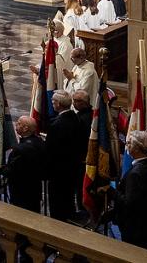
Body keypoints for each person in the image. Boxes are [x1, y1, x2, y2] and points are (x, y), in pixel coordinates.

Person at [113, 130, 147, 250]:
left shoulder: (135, 174)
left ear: (137, 149)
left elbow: (128, 204)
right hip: (146, 222)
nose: (127, 146)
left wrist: (112, 192)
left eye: (129, 143)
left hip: (133, 226)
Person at [46, 92, 83, 221]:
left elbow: (51, 150)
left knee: (57, 203)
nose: (52, 104)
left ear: (58, 104)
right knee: (68, 197)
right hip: (73, 166)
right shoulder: (74, 117)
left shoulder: (57, 125)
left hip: (59, 171)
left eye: (53, 102)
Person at [4, 116, 48, 212]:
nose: (16, 124)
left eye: (19, 123)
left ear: (25, 128)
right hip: (35, 189)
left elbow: (11, 171)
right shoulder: (40, 142)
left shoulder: (20, 149)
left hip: (21, 191)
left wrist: (2, 170)